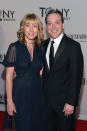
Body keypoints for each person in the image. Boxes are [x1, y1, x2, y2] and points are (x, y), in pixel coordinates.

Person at [3, 13, 48, 131]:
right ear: (22, 27)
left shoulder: (41, 48)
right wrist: (9, 101)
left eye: (35, 26)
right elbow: (8, 76)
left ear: (39, 29)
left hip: (38, 94)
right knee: (22, 125)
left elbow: (41, 71)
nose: (31, 30)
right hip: (20, 96)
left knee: (38, 125)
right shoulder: (14, 47)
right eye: (27, 25)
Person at [42, 9, 83, 131]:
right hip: (47, 103)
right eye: (49, 23)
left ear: (63, 25)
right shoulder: (43, 45)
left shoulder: (73, 46)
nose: (53, 27)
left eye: (57, 23)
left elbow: (76, 76)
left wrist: (71, 102)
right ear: (46, 26)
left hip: (65, 105)